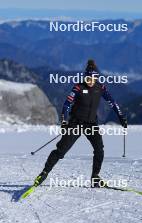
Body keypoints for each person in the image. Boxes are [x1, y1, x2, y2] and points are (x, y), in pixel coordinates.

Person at [33, 60, 127, 188]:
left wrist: (121, 117)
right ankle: (44, 173)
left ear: (96, 78)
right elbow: (67, 104)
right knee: (61, 151)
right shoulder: (78, 87)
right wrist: (64, 121)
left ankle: (95, 177)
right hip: (76, 123)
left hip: (91, 124)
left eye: (93, 78)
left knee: (99, 149)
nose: (90, 81)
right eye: (88, 78)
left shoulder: (100, 88)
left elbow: (112, 102)